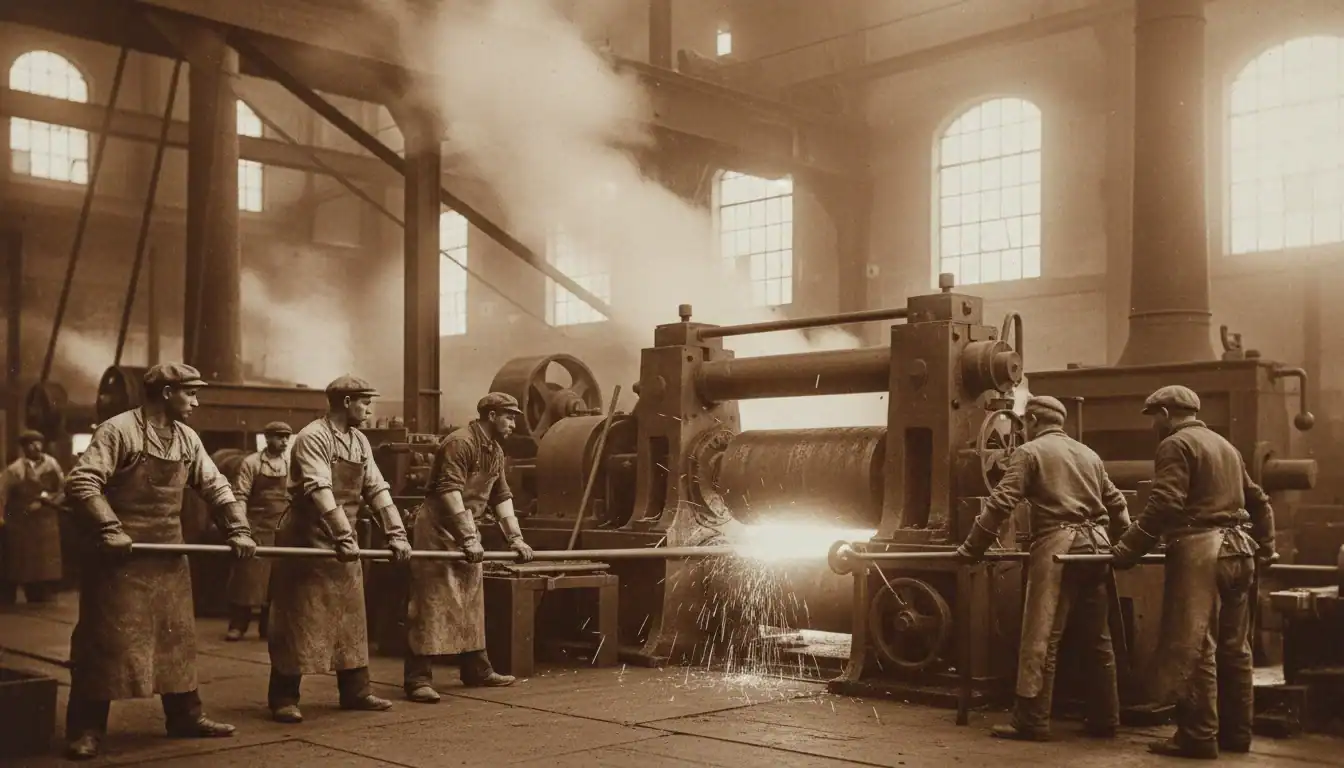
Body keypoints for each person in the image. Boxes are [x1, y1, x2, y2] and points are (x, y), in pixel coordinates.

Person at [62, 363, 257, 760]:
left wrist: (238, 528)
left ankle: (185, 716)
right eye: (190, 393)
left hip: (169, 557)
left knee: (176, 639)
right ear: (167, 393)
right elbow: (82, 482)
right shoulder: (118, 430)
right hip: (120, 559)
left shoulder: (187, 438)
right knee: (106, 644)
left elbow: (216, 485)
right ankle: (86, 728)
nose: (196, 401)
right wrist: (110, 528)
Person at [1112, 385, 1275, 760]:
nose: (1154, 423)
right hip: (1240, 552)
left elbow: (1165, 503)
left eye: (1155, 416)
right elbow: (1259, 500)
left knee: (1197, 645)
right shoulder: (1225, 447)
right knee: (1236, 647)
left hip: (1203, 551)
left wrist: (1127, 549)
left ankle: (1199, 736)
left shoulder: (1175, 444)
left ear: (1167, 413)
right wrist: (1266, 547)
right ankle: (1237, 734)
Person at [956, 395, 1130, 741]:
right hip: (1096, 549)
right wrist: (1124, 545)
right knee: (1099, 638)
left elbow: (1002, 501)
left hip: (1059, 546)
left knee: (1042, 634)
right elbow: (1118, 504)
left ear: (1033, 422)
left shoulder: (1030, 452)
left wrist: (971, 547)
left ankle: (1032, 720)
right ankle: (1105, 718)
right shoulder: (1088, 454)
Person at [266, 375, 412, 723]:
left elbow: (376, 489)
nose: (369, 408)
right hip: (306, 538)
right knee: (297, 619)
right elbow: (319, 489)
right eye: (364, 401)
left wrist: (397, 533)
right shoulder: (312, 437)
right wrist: (342, 536)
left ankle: (356, 691)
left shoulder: (359, 440)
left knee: (350, 616)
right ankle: (284, 697)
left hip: (341, 538)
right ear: (346, 402)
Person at [403, 392, 535, 703]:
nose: (513, 422)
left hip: (466, 533)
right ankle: (417, 678)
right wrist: (467, 537)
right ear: (491, 415)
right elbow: (449, 493)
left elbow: (501, 497)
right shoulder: (460, 442)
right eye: (509, 416)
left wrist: (515, 537)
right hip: (436, 531)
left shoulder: (495, 451)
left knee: (470, 601)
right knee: (429, 603)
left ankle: (476, 669)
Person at [224, 421, 292, 641]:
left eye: (286, 437)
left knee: (276, 581)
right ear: (267, 438)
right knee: (246, 578)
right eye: (279, 437)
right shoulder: (251, 463)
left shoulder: (291, 464)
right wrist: (243, 527)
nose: (283, 441)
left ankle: (267, 627)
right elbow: (240, 495)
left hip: (281, 529)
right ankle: (238, 625)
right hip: (256, 526)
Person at [0, 429, 66, 604]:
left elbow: (62, 489)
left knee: (44, 563)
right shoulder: (15, 469)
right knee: (20, 560)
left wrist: (50, 501)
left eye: (38, 443)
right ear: (24, 447)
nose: (35, 447)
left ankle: (40, 595)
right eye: (30, 443)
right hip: (22, 521)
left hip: (46, 521)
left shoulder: (52, 464)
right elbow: (2, 493)